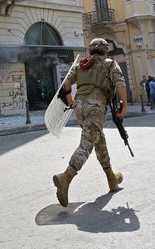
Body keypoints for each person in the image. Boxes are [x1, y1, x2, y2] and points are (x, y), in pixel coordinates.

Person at [52, 38, 127, 207]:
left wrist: (71, 102)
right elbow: (120, 84)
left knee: (97, 139)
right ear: (104, 50)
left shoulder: (81, 65)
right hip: (95, 105)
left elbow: (66, 84)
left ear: (91, 50)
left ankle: (111, 179)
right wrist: (124, 107)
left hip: (79, 106)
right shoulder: (110, 64)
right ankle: (66, 177)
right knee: (87, 144)